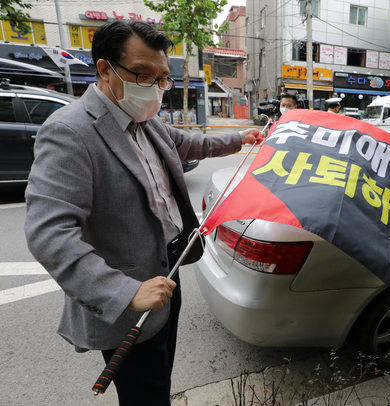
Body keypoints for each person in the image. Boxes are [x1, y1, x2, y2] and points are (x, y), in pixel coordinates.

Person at [23, 20, 263, 405]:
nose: (153, 87)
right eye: (142, 74)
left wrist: (241, 138)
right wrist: (126, 292)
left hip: (168, 269)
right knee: (145, 394)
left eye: (162, 77)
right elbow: (49, 233)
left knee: (161, 374)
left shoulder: (145, 119)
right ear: (105, 69)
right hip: (129, 294)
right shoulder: (70, 131)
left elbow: (187, 144)